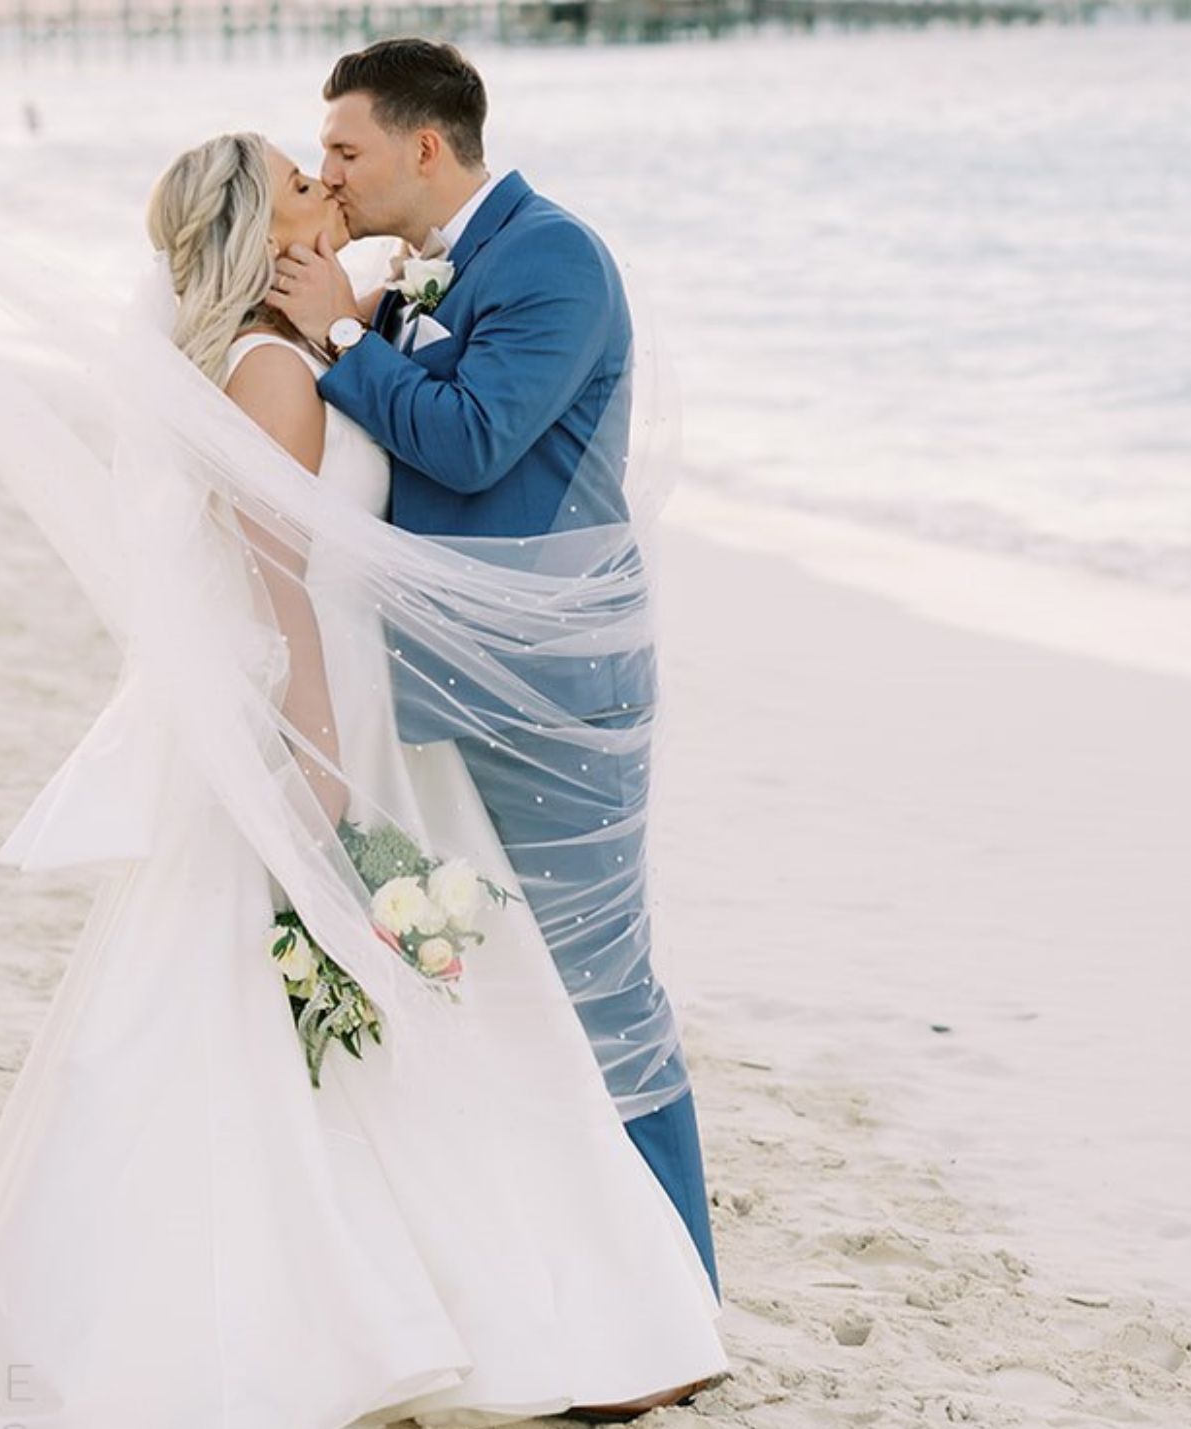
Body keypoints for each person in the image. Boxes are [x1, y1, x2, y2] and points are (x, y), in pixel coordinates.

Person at [0, 119, 726, 1427]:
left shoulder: (310, 340)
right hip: (320, 730)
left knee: (435, 1003)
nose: (330, 190)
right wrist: (313, 762)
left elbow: (395, 365)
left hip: (377, 728)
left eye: (330, 169)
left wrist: (380, 301)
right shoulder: (266, 371)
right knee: (311, 1009)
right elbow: (280, 585)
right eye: (306, 183)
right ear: (264, 238)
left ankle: (547, 1298)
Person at [266, 45, 723, 1349]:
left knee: (600, 984)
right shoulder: (409, 271)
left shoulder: (553, 257)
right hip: (440, 679)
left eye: (345, 150)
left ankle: (678, 1298)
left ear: (425, 148)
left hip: (555, 688)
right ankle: (548, 1284)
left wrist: (340, 334)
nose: (330, 174)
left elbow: (473, 439)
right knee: (481, 978)